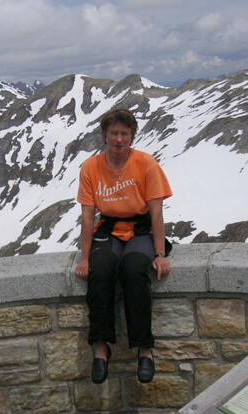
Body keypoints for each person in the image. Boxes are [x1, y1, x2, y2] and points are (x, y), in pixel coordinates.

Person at [74, 108, 172, 385]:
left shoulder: (146, 163)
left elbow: (156, 212)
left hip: (140, 228)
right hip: (108, 228)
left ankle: (144, 350)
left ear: (132, 137)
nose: (119, 139)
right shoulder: (91, 167)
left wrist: (160, 254)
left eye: (125, 134)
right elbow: (87, 215)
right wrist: (84, 259)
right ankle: (101, 348)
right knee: (101, 269)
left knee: (134, 269)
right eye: (114, 133)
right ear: (104, 135)